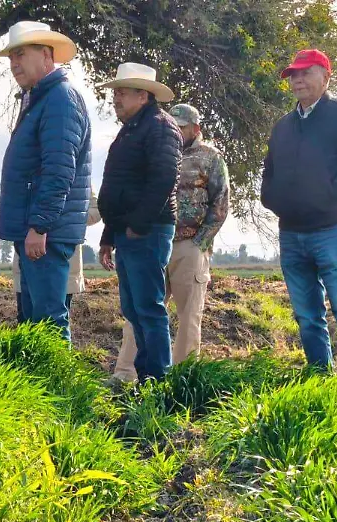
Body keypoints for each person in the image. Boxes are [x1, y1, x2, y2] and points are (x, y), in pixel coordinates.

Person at [261, 49, 337, 371]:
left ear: (326, 77)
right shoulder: (283, 127)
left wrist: (329, 192)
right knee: (306, 314)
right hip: (291, 233)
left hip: (333, 230)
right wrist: (272, 200)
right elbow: (269, 173)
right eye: (293, 75)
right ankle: (320, 374)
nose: (298, 80)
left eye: (306, 72)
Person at [114, 103, 229, 381]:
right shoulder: (156, 151)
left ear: (195, 129)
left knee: (189, 315)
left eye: (182, 127)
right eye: (173, 125)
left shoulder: (210, 157)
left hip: (188, 246)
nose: (176, 131)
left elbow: (221, 202)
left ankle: (181, 378)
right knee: (141, 310)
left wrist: (200, 242)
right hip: (154, 242)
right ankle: (126, 374)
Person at [0, 21, 92, 342]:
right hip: (36, 230)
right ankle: (42, 376)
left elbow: (59, 169)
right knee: (35, 321)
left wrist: (40, 225)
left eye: (20, 54)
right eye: (11, 57)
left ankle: (59, 377)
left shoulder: (60, 99)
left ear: (47, 55)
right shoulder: (40, 99)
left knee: (48, 321)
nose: (14, 63)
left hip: (46, 233)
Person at [97, 63, 182, 382]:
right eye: (116, 93)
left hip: (148, 230)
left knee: (148, 307)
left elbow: (164, 179)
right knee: (134, 308)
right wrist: (109, 235)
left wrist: (139, 224)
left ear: (143, 96)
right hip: (128, 231)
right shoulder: (131, 129)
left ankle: (158, 380)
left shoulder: (161, 127)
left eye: (122, 93)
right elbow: (117, 187)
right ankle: (147, 377)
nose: (115, 99)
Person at [13, 192, 101, 322]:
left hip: (62, 260)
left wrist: (64, 220)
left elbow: (96, 209)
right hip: (27, 257)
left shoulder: (74, 179)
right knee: (26, 322)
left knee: (54, 322)